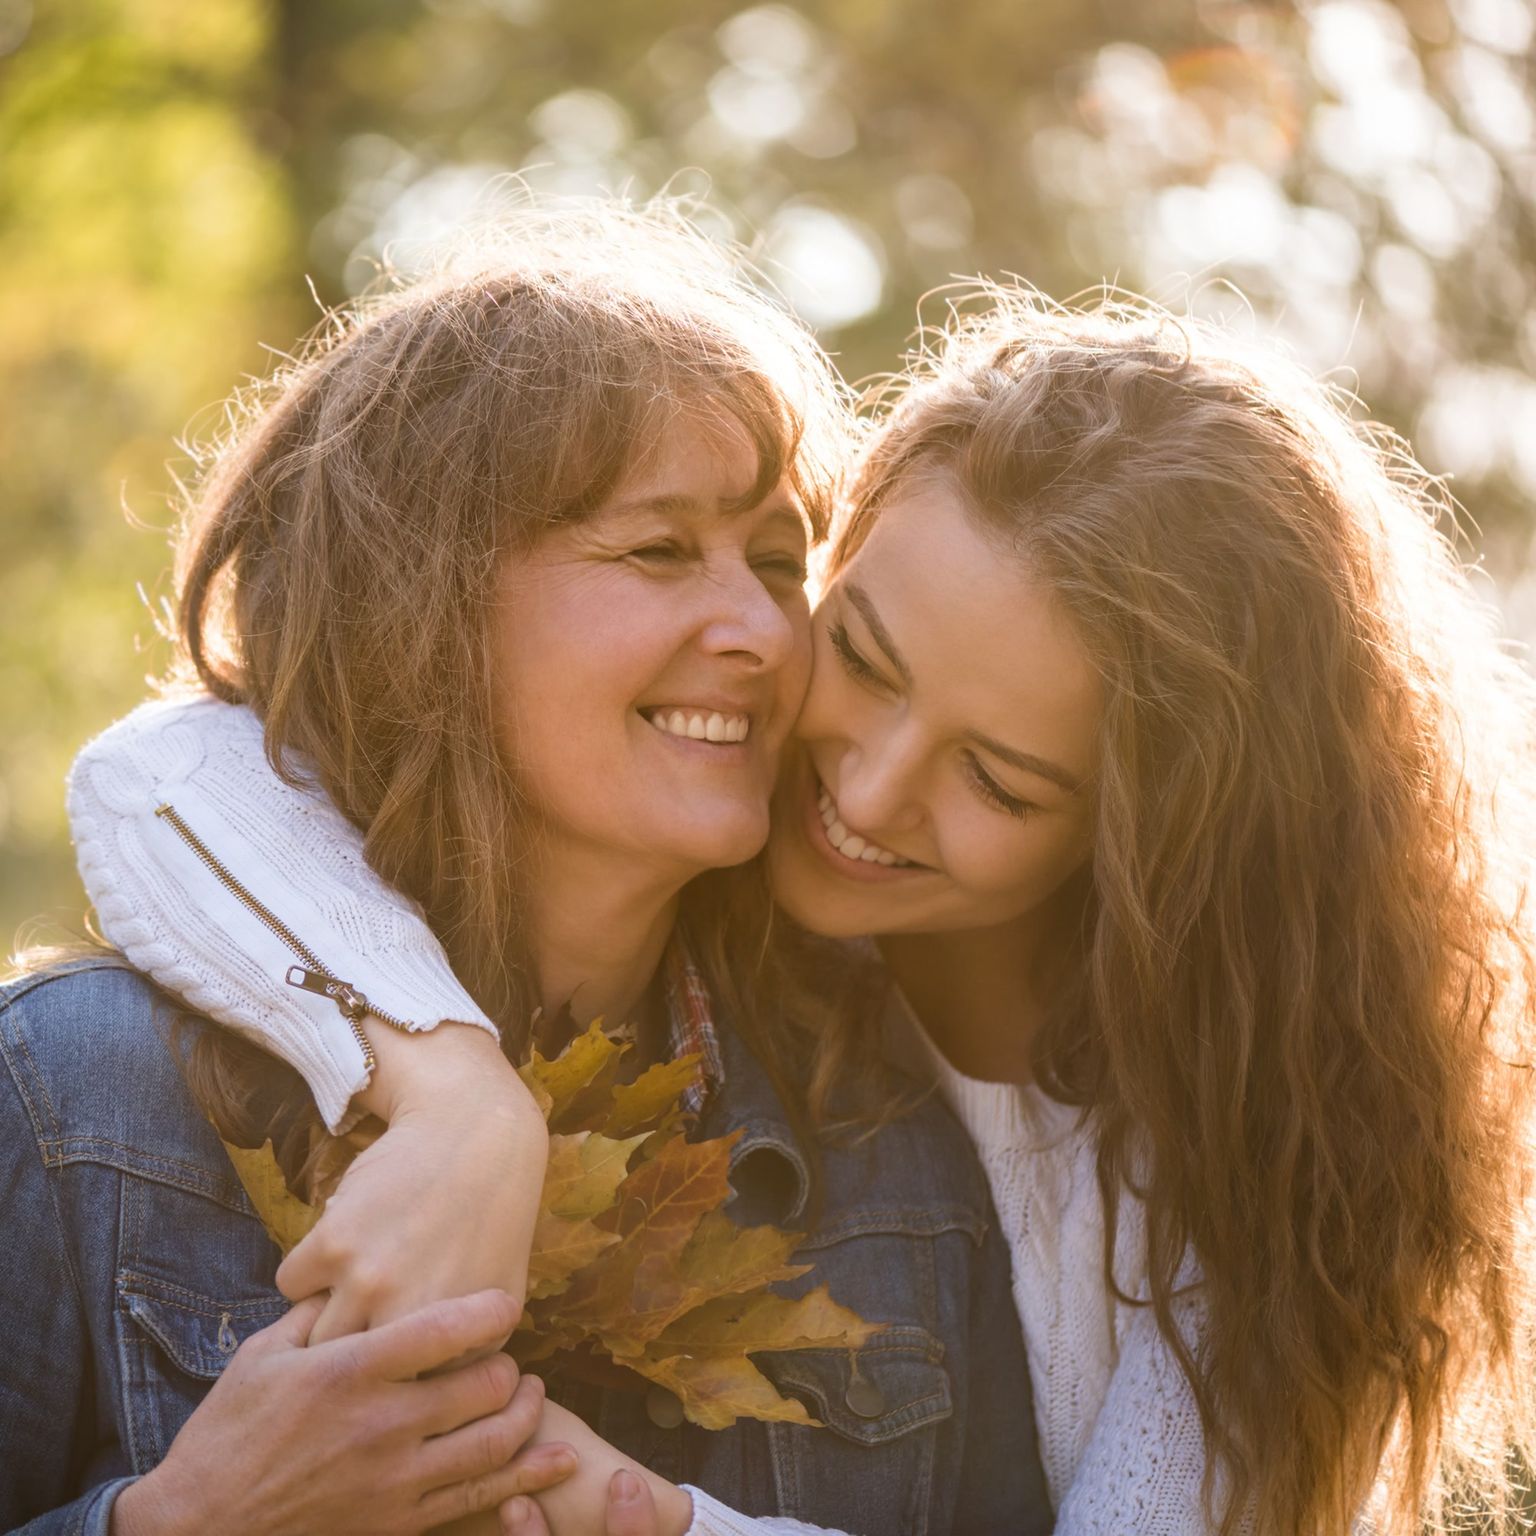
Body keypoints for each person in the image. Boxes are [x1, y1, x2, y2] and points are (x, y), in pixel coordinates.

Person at [74, 285, 1536, 1536]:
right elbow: (165, 770)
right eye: (864, 657)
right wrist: (458, 1097)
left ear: (1157, 850)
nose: (865, 792)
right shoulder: (710, 874)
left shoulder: (1245, 1181)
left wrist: (648, 1517)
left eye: (998, 781)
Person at [0, 206, 1049, 1536]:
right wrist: (182, 1523)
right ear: (417, 606)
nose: (759, 630)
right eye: (659, 550)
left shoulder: (882, 1146)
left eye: (780, 564)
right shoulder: (73, 1098)